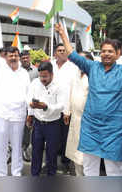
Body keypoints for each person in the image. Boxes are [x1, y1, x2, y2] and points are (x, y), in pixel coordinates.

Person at [55, 23, 122, 176]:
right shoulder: (92, 67)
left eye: (110, 51)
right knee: (89, 168)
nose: (106, 54)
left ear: (118, 54)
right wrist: (62, 34)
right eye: (103, 51)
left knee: (114, 170)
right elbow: (72, 54)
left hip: (114, 129)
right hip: (91, 128)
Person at [0, 21, 30, 177]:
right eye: (11, 55)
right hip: (1, 114)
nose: (14, 57)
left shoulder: (24, 73)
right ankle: (2, 173)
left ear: (19, 57)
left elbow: (28, 93)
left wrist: (31, 112)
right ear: (6, 57)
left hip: (18, 115)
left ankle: (16, 172)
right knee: (1, 146)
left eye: (16, 55)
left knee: (17, 146)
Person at [26, 61, 67, 176]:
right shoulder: (35, 83)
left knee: (51, 153)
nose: (42, 79)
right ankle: (34, 175)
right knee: (36, 151)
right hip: (38, 124)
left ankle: (51, 176)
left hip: (53, 125)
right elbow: (28, 97)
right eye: (41, 76)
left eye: (45, 76)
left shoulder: (59, 85)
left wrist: (46, 107)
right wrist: (30, 110)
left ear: (52, 74)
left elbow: (61, 105)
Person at [51, 43, 78, 174]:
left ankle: (66, 163)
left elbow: (72, 90)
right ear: (55, 53)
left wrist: (68, 110)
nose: (62, 52)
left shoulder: (72, 67)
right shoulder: (51, 66)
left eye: (64, 50)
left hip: (65, 109)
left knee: (65, 137)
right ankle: (51, 163)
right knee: (52, 137)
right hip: (51, 108)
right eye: (59, 50)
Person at [65, 52, 93, 176]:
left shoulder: (93, 76)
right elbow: (69, 93)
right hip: (75, 120)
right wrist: (67, 111)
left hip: (89, 122)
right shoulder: (75, 74)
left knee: (87, 158)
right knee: (75, 154)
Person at [20, 50, 38, 162]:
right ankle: (18, 148)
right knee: (20, 128)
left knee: (30, 127)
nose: (25, 59)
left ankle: (27, 148)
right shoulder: (17, 71)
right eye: (23, 58)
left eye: (27, 57)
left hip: (33, 104)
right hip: (20, 103)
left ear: (30, 58)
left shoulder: (36, 71)